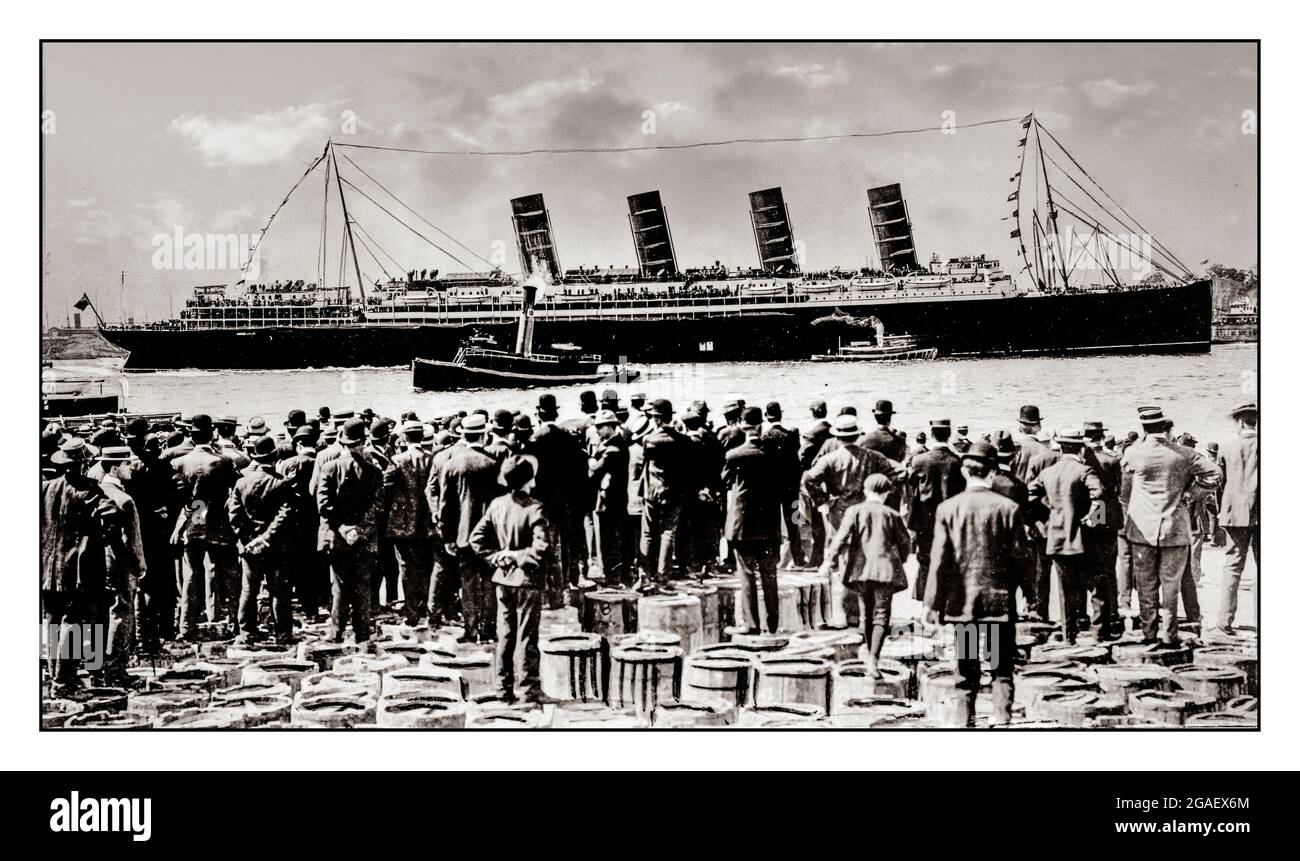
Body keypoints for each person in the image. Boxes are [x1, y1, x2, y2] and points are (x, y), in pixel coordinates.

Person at [924, 442, 1030, 727]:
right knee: (1001, 670)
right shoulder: (1008, 508)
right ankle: (1003, 723)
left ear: (964, 471)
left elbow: (939, 562)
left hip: (963, 603)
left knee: (965, 673)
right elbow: (1022, 559)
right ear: (993, 472)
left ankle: (964, 725)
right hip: (998, 602)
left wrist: (932, 605)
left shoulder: (948, 509)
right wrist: (1029, 596)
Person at [1120, 406, 1219, 644]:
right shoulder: (1184, 454)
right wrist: (1191, 495)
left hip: (1142, 529)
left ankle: (1148, 634)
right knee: (1171, 586)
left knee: (1146, 585)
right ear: (1165, 426)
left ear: (1143, 427)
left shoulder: (1133, 453)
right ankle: (1170, 634)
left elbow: (1124, 493)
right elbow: (1214, 474)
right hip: (1174, 528)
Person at [803, 414, 901, 627]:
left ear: (837, 438)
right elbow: (898, 474)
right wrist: (883, 494)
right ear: (857, 435)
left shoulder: (830, 459)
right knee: (866, 557)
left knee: (843, 561)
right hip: (868, 512)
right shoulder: (873, 457)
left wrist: (823, 501)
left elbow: (808, 479)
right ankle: (865, 613)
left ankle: (848, 614)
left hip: (840, 513)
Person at [469, 457, 551, 704]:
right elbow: (542, 548)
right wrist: (517, 555)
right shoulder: (535, 508)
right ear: (528, 481)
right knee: (527, 638)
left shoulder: (497, 505)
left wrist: (496, 557)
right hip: (527, 581)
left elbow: (476, 539)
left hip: (503, 580)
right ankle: (528, 691)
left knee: (504, 635)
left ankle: (503, 691)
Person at [42, 437, 114, 694]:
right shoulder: (90, 491)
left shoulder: (46, 488)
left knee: (50, 623)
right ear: (83, 463)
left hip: (47, 567)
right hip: (77, 571)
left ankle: (54, 678)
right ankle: (64, 682)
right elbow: (112, 514)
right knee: (73, 623)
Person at [823, 473, 911, 677]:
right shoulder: (892, 514)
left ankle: (868, 652)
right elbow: (905, 543)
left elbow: (841, 538)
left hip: (860, 571)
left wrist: (829, 562)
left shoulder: (854, 511)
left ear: (865, 490)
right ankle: (874, 658)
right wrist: (900, 560)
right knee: (881, 615)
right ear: (887, 492)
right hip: (885, 571)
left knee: (866, 613)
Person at [1029, 431, 1106, 644]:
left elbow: (1029, 497)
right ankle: (1099, 634)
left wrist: (1047, 518)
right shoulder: (1085, 470)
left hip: (1057, 538)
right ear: (1081, 449)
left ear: (1061, 449)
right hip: (1084, 539)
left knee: (1065, 591)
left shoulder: (1048, 473)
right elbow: (1098, 494)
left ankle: (1068, 636)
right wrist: (1094, 519)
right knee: (1098, 585)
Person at [315, 418, 384, 648]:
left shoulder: (329, 468)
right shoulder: (374, 470)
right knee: (363, 586)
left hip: (337, 537)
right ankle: (363, 635)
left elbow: (324, 505)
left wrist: (344, 528)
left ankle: (336, 633)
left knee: (340, 586)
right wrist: (361, 529)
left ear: (341, 441)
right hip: (364, 539)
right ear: (363, 441)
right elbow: (378, 506)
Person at [171, 414, 241, 640]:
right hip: (218, 521)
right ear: (212, 434)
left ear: (191, 435)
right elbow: (238, 488)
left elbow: (178, 498)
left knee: (191, 575)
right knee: (230, 574)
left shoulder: (179, 463)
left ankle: (186, 627)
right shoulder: (223, 461)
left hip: (193, 520)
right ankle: (235, 623)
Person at [436, 413, 503, 642]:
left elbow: (446, 505)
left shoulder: (452, 464)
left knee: (468, 583)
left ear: (463, 435)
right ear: (484, 434)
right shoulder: (493, 463)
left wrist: (447, 536)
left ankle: (470, 629)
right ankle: (488, 630)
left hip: (463, 535)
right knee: (490, 582)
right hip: (490, 536)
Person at [228, 435, 296, 645]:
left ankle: (247, 634)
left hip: (249, 547)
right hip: (276, 546)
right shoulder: (281, 483)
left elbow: (234, 515)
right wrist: (265, 539)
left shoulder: (241, 483)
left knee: (248, 591)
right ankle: (283, 635)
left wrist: (249, 540)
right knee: (279, 592)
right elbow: (284, 515)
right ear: (275, 456)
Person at [722, 407, 783, 634]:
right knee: (770, 574)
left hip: (743, 525)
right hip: (768, 525)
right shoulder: (775, 454)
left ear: (743, 426)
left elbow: (725, 480)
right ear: (760, 425)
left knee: (746, 574)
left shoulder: (734, 455)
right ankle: (773, 624)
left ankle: (751, 624)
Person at [96, 446, 146, 686]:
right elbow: (131, 540)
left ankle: (95, 668)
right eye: (127, 464)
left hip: (96, 564)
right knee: (122, 614)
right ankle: (116, 669)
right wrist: (140, 566)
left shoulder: (95, 490)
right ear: (115, 468)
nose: (131, 467)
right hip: (120, 564)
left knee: (99, 615)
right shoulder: (124, 499)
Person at [906, 418, 965, 603]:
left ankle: (926, 603)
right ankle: (945, 601)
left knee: (925, 562)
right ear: (949, 435)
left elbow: (912, 489)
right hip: (950, 521)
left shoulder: (920, 460)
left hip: (925, 521)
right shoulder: (956, 462)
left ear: (931, 435)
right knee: (949, 560)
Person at [384, 420, 436, 626]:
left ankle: (411, 611)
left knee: (406, 567)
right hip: (427, 522)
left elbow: (386, 489)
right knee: (426, 565)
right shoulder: (432, 459)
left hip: (403, 524)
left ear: (404, 437)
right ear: (421, 436)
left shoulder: (397, 460)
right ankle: (425, 607)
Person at [1215, 401, 1259, 635]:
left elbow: (1218, 483)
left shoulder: (1226, 446)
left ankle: (1224, 621)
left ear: (1240, 421)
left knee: (1232, 567)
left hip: (1234, 514)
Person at [638, 398, 689, 592]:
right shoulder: (683, 440)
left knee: (648, 532)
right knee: (668, 532)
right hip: (674, 492)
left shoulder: (649, 440)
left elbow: (645, 463)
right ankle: (663, 576)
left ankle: (644, 575)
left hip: (652, 491)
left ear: (657, 419)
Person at [1084, 420, 1124, 636]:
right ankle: (1113, 613)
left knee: (1093, 567)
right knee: (1110, 567)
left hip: (1093, 514)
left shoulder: (1085, 459)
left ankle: (1096, 614)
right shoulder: (1112, 459)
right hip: (1110, 514)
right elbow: (1118, 488)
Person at [760, 401, 805, 568]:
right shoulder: (791, 436)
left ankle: (774, 557)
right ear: (781, 414)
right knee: (794, 520)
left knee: (772, 522)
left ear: (766, 416)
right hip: (790, 488)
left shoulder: (764, 437)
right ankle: (798, 557)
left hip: (771, 488)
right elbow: (796, 462)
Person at [587, 409, 630, 584]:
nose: (597, 430)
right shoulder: (615, 443)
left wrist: (590, 461)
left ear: (611, 427)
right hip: (614, 497)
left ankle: (611, 575)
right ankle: (615, 573)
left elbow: (594, 470)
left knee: (607, 539)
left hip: (608, 499)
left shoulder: (612, 448)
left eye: (600, 427)